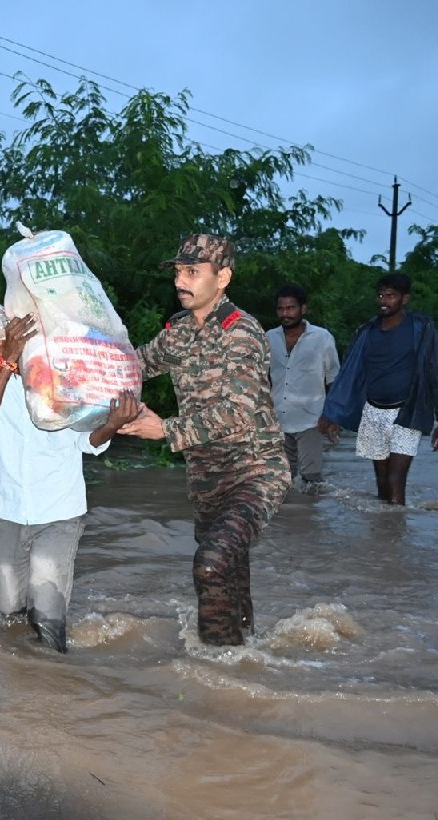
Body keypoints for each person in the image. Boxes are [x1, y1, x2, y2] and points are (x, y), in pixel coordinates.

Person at [118, 234, 290, 647]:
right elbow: (132, 366)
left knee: (210, 563)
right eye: (179, 272)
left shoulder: (241, 333)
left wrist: (165, 429)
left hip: (254, 472)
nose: (181, 281)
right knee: (229, 572)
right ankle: (247, 653)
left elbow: (237, 412)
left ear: (223, 277)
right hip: (206, 479)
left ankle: (217, 667)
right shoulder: (178, 332)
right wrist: (71, 363)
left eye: (192, 272)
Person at [0, 311, 140, 653]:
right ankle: (21, 671)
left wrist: (113, 424)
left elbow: (87, 441)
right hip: (12, 509)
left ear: (9, 332)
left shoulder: (59, 370)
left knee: (46, 615)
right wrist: (5, 364)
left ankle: (54, 676)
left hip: (59, 508)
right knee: (9, 608)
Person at [318, 272, 438, 506]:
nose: (383, 301)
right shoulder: (366, 331)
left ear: (405, 299)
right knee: (381, 484)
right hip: (373, 412)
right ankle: (384, 528)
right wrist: (332, 414)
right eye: (380, 295)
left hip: (407, 413)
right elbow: (349, 375)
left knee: (396, 480)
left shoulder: (421, 329)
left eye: (390, 296)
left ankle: (397, 524)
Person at [267, 284, 341, 494]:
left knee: (312, 481)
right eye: (281, 309)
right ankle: (287, 516)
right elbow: (263, 377)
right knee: (281, 481)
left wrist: (332, 416)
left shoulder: (322, 338)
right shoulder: (269, 337)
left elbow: (334, 378)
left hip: (311, 419)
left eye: (290, 308)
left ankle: (310, 514)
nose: (285, 314)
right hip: (277, 419)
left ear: (303, 309)